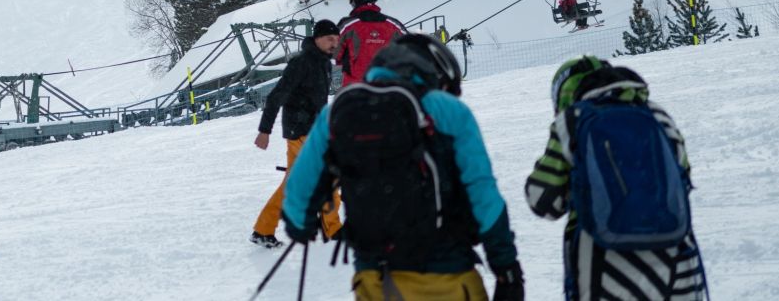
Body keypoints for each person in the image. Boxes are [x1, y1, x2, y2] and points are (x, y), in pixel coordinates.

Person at [282, 34, 524, 301]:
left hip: (375, 279)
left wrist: (300, 225)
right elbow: (483, 195)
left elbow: (298, 190)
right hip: (447, 275)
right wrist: (506, 268)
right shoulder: (448, 110)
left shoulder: (338, 111)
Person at [526, 57, 706, 300]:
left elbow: (543, 201)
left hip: (606, 267)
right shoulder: (657, 114)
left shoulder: (573, 119)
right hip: (679, 260)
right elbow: (683, 176)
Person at [250, 19, 342, 248]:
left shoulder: (323, 64)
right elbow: (276, 96)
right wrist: (264, 130)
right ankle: (333, 228)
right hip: (301, 131)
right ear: (317, 38)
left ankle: (263, 230)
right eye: (330, 39)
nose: (334, 43)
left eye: (337, 40)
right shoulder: (301, 63)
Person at [336, 0, 405, 88]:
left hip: (355, 89)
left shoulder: (348, 26)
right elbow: (410, 49)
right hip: (388, 88)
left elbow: (334, 53)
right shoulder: (393, 25)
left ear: (354, 0)